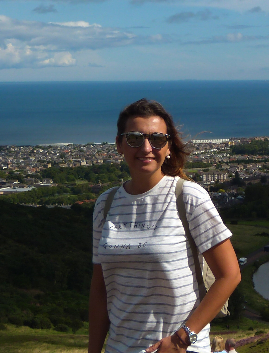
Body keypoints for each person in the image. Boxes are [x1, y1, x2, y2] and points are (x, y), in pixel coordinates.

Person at [89, 99, 241, 353]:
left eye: (157, 139)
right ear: (119, 145)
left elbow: (230, 275)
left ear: (168, 146)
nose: (146, 147)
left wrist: (182, 338)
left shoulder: (189, 197)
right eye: (135, 138)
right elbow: (100, 290)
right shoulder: (105, 204)